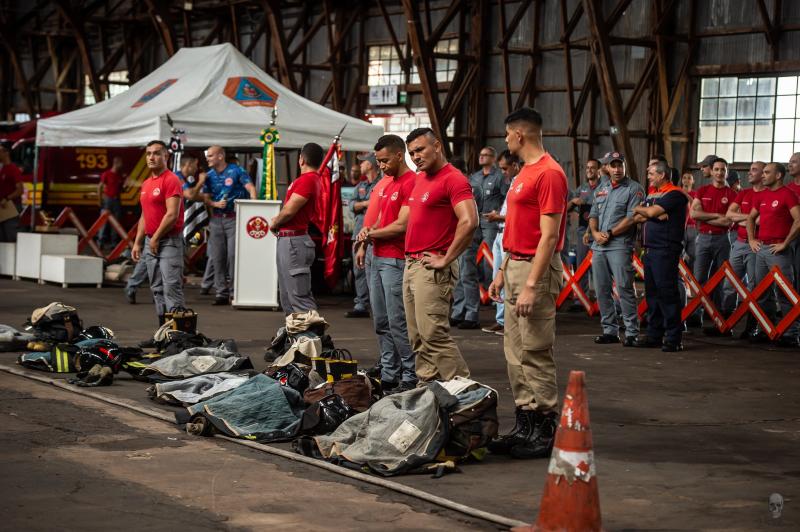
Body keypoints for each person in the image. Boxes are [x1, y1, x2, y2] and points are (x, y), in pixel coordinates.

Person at [487, 107, 568, 460]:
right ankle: (525, 422)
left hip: (536, 268)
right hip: (515, 264)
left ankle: (545, 426)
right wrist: (503, 270)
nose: (505, 140)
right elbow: (517, 228)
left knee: (535, 350)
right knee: (514, 351)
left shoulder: (550, 173)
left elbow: (549, 237)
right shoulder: (524, 173)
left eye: (507, 135)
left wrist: (533, 284)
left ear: (519, 135)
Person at [402, 127, 477, 382]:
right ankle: (429, 394)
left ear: (437, 146)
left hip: (432, 267)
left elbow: (469, 221)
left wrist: (446, 258)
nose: (416, 157)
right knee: (418, 339)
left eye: (420, 149)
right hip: (412, 264)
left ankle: (467, 398)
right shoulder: (420, 178)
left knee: (434, 335)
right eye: (411, 153)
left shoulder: (453, 179)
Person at [358, 134, 418, 393]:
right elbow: (381, 219)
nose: (380, 165)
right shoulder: (389, 183)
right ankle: (390, 370)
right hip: (377, 255)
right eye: (378, 161)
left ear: (398, 155)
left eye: (384, 161)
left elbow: (402, 226)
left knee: (398, 321)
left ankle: (410, 373)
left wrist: (370, 234)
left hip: (394, 258)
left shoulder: (411, 182)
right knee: (381, 320)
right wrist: (365, 241)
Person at [588, 152, 644, 346]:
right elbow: (593, 213)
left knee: (624, 288)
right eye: (613, 166)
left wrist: (610, 233)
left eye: (620, 165)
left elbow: (632, 218)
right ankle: (609, 331)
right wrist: (594, 232)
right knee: (602, 289)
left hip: (619, 245)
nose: (617, 169)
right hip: (599, 245)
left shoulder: (634, 188)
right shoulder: (601, 188)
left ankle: (631, 332)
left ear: (625, 166)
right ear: (607, 168)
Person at [632, 161, 688, 352]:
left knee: (667, 294)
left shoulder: (675, 195)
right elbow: (640, 217)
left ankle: (673, 338)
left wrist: (646, 210)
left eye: (651, 173)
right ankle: (654, 335)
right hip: (650, 251)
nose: (648, 176)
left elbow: (646, 212)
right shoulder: (653, 193)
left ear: (662, 175)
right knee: (653, 295)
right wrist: (650, 213)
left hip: (665, 250)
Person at [131, 141, 186, 325]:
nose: (151, 157)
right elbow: (144, 216)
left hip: (169, 241)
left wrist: (155, 238)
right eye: (148, 154)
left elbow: (172, 215)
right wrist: (138, 242)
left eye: (156, 153)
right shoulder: (146, 184)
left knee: (171, 287)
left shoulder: (171, 180)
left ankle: (178, 335)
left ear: (166, 157)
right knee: (156, 288)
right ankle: (163, 333)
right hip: (150, 241)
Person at [746, 162, 800, 348]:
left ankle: (792, 333)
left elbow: (798, 220)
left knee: (785, 293)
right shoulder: (762, 195)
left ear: (778, 176)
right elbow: (750, 218)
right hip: (761, 249)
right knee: (761, 293)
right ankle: (764, 329)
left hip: (778, 251)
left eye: (767, 172)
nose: (763, 175)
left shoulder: (788, 194)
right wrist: (752, 239)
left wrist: (785, 243)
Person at [270, 143, 322, 314]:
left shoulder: (307, 180)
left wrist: (275, 222)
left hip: (293, 241)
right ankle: (296, 336)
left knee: (298, 297)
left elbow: (290, 209)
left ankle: (309, 338)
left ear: (302, 159)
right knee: (288, 296)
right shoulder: (310, 180)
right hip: (291, 240)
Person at [202, 145, 256, 305]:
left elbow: (251, 188)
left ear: (220, 156)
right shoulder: (209, 175)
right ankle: (221, 293)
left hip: (234, 218)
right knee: (217, 256)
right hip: (217, 219)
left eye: (210, 156)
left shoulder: (236, 170)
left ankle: (235, 292)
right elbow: (205, 198)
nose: (208, 159)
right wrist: (214, 203)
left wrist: (254, 208)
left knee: (233, 256)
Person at [689, 157, 736, 332]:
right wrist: (718, 215)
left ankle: (717, 317)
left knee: (721, 279)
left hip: (723, 239)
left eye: (723, 170)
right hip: (703, 238)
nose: (719, 173)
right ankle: (696, 314)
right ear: (712, 171)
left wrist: (707, 215)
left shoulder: (732, 195)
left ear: (726, 172)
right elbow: (694, 214)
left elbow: (728, 222)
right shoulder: (702, 190)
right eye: (716, 169)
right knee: (699, 277)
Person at [723, 161, 765, 339]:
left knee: (754, 287)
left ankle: (752, 327)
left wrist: (743, 220)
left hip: (757, 245)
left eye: (754, 170)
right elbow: (729, 215)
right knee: (729, 284)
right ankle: (725, 323)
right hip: (739, 243)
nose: (749, 172)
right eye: (750, 169)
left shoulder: (769, 195)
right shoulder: (744, 193)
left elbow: (761, 221)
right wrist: (750, 218)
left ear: (764, 174)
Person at [481, 150, 520, 335]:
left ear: (515, 166)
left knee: (508, 280)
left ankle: (509, 322)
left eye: (505, 168)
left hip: (508, 231)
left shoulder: (521, 183)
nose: (502, 172)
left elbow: (519, 215)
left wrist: (499, 217)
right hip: (500, 232)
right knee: (497, 279)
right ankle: (501, 319)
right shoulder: (512, 182)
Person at [450, 156, 484, 330]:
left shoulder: (473, 187)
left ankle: (472, 314)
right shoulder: (458, 186)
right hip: (456, 235)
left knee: (467, 275)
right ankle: (458, 311)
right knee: (458, 276)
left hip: (469, 236)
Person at [346, 153, 380, 318]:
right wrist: (366, 203)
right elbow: (351, 205)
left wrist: (361, 205)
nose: (360, 165)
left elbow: (380, 205)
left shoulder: (381, 184)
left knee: (374, 271)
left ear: (372, 164)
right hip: (359, 233)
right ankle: (361, 304)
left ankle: (376, 305)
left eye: (363, 162)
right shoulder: (361, 185)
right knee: (358, 269)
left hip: (374, 234)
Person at [568, 158, 601, 309]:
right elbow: (565, 208)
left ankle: (603, 301)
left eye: (593, 168)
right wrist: (574, 202)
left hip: (600, 234)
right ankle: (580, 300)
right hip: (583, 234)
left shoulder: (605, 188)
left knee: (601, 269)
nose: (589, 170)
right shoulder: (581, 189)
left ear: (599, 171)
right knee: (581, 267)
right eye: (587, 167)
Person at [97, 156, 125, 247]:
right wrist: (100, 200)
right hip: (108, 200)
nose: (122, 165)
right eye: (120, 163)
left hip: (117, 200)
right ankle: (100, 242)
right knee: (103, 222)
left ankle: (114, 243)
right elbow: (99, 187)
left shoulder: (119, 176)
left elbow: (120, 189)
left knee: (116, 223)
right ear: (116, 163)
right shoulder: (107, 174)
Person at [0, 144, 23, 242]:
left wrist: (7, 198)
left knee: (10, 234)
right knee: (2, 236)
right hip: (2, 206)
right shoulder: (2, 170)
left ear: (6, 153)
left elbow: (20, 190)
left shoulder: (13, 169)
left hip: (11, 206)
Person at [787, 152, 800, 295]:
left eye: (794, 162)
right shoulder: (787, 189)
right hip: (788, 236)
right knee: (789, 272)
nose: (789, 165)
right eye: (789, 162)